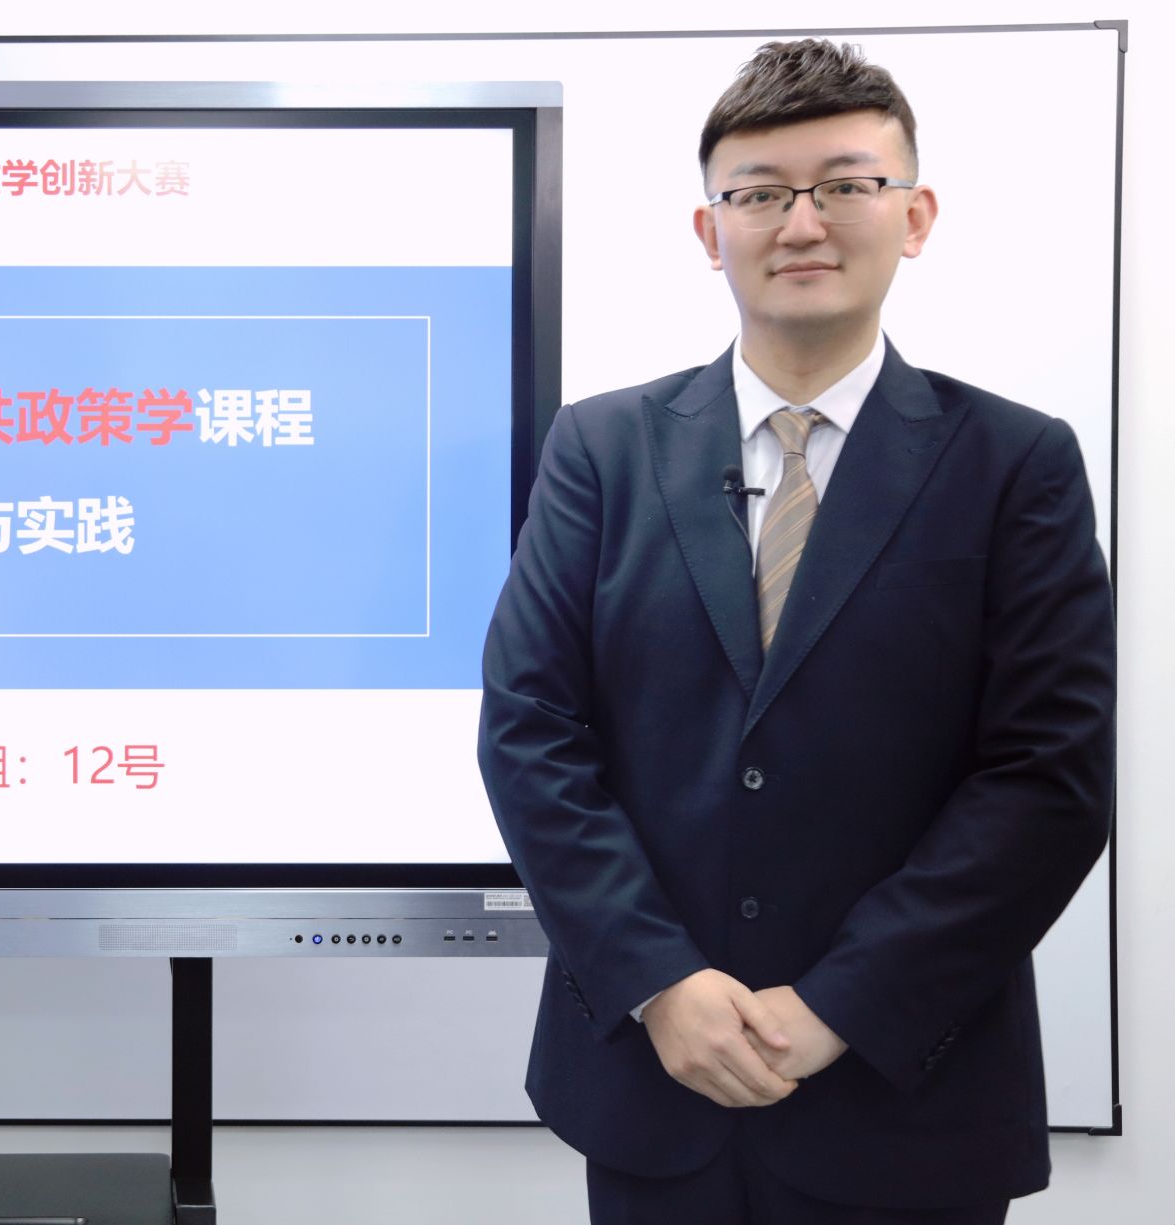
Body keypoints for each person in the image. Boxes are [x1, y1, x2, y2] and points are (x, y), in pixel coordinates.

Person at [476, 39, 1115, 1225]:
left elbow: (1046, 779)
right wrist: (659, 981)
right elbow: (529, 733)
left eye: (844, 184)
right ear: (708, 229)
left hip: (906, 1092)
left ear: (913, 215)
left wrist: (838, 1005)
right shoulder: (600, 450)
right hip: (655, 1081)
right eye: (760, 193)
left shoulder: (1013, 463)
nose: (801, 223)